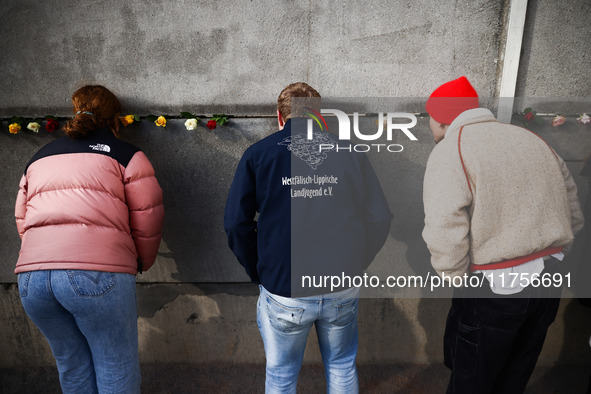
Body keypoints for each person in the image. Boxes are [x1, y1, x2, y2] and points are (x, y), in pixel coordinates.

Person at [224, 82, 391, 393]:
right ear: (320, 117)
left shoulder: (259, 154)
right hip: (341, 283)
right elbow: (380, 218)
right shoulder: (350, 152)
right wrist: (355, 263)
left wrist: (259, 271)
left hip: (285, 287)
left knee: (282, 375)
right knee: (341, 365)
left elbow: (235, 224)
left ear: (279, 117)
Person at [421, 76, 584, 393]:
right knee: (515, 375)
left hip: (495, 285)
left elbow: (444, 224)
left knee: (473, 379)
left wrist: (454, 275)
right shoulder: (533, 139)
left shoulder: (451, 149)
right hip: (548, 279)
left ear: (440, 118)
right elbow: (573, 210)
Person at [14, 85, 165, 394]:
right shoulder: (128, 155)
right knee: (115, 365)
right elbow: (148, 214)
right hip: (97, 275)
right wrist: (141, 261)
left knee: (72, 365)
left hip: (32, 279)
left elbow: (22, 219)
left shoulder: (38, 158)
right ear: (117, 120)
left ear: (75, 113)